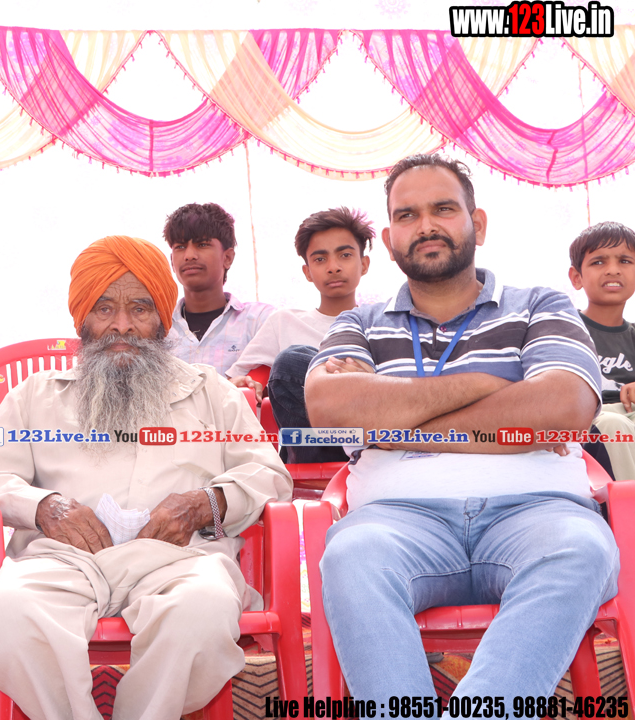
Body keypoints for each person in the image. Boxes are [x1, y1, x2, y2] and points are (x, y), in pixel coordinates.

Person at [304, 154, 619, 702]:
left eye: (443, 209)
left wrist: (393, 421)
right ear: (389, 239)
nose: (426, 225)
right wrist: (488, 384)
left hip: (538, 511)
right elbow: (331, 412)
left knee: (581, 548)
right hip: (394, 519)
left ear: (478, 223)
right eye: (407, 215)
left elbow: (564, 406)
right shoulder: (359, 323)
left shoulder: (539, 305)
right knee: (351, 557)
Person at [0, 235, 291, 720]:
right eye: (104, 308)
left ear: (161, 320)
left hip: (180, 561)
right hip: (63, 562)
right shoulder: (36, 396)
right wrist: (43, 507)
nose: (122, 326)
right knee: (7, 617)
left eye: (139, 308)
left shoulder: (210, 392)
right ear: (82, 319)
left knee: (202, 612)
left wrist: (205, 504)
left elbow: (269, 476)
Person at [227, 207, 372, 463]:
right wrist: (247, 383)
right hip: (311, 447)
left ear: (364, 264)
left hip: (372, 436)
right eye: (320, 259)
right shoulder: (284, 322)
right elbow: (238, 383)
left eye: (345, 255)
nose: (333, 267)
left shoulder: (382, 322)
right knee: (293, 360)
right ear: (307, 272)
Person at [163, 203, 273, 376]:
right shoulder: (159, 329)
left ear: (227, 257)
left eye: (202, 244)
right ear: (172, 261)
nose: (189, 255)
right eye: (180, 247)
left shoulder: (260, 320)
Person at [568, 221, 635, 481]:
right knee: (612, 425)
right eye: (598, 262)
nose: (613, 270)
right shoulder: (563, 328)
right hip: (591, 420)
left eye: (625, 261)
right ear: (577, 277)